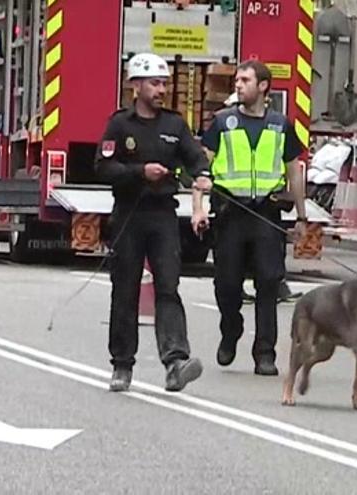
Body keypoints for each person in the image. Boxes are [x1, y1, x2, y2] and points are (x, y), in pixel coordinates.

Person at [94, 53, 210, 392]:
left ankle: (176, 361)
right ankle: (122, 364)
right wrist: (138, 172)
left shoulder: (174, 125)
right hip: (129, 214)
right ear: (137, 85)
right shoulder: (120, 125)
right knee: (125, 289)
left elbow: (195, 158)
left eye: (164, 83)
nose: (161, 90)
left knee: (168, 287)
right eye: (155, 83)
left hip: (162, 215)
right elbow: (102, 167)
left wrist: (202, 175)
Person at [194, 60, 307, 376]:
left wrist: (301, 217)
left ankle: (265, 354)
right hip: (231, 214)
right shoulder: (222, 122)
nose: (238, 85)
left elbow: (294, 171)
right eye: (236, 80)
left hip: (266, 214)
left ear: (263, 86)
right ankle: (231, 329)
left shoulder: (281, 125)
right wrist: (199, 206)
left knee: (269, 282)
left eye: (245, 80)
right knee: (227, 284)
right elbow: (203, 171)